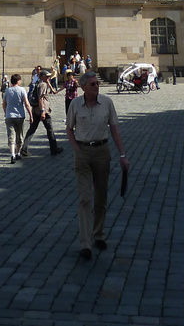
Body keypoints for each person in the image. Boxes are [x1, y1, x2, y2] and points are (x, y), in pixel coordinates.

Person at [66, 71, 129, 259]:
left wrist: (122, 155)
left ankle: (99, 233)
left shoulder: (107, 103)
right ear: (83, 87)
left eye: (96, 84)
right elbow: (69, 128)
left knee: (101, 197)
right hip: (83, 153)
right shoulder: (75, 104)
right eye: (92, 84)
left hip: (102, 151)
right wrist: (77, 149)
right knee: (85, 198)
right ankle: (86, 244)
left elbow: (115, 129)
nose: (96, 86)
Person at [20, 70, 63, 157]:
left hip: (35, 110)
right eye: (47, 76)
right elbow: (40, 98)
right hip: (42, 111)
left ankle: (24, 148)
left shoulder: (38, 83)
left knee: (32, 130)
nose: (49, 77)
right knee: (50, 129)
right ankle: (54, 149)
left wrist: (48, 82)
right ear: (42, 76)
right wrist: (43, 111)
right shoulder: (43, 85)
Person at [2, 73, 33, 162]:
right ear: (18, 81)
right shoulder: (22, 90)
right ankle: (18, 153)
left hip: (9, 116)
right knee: (19, 134)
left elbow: (4, 104)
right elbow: (27, 104)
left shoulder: (7, 91)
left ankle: (12, 154)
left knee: (11, 136)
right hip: (20, 116)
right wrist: (30, 115)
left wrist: (5, 113)